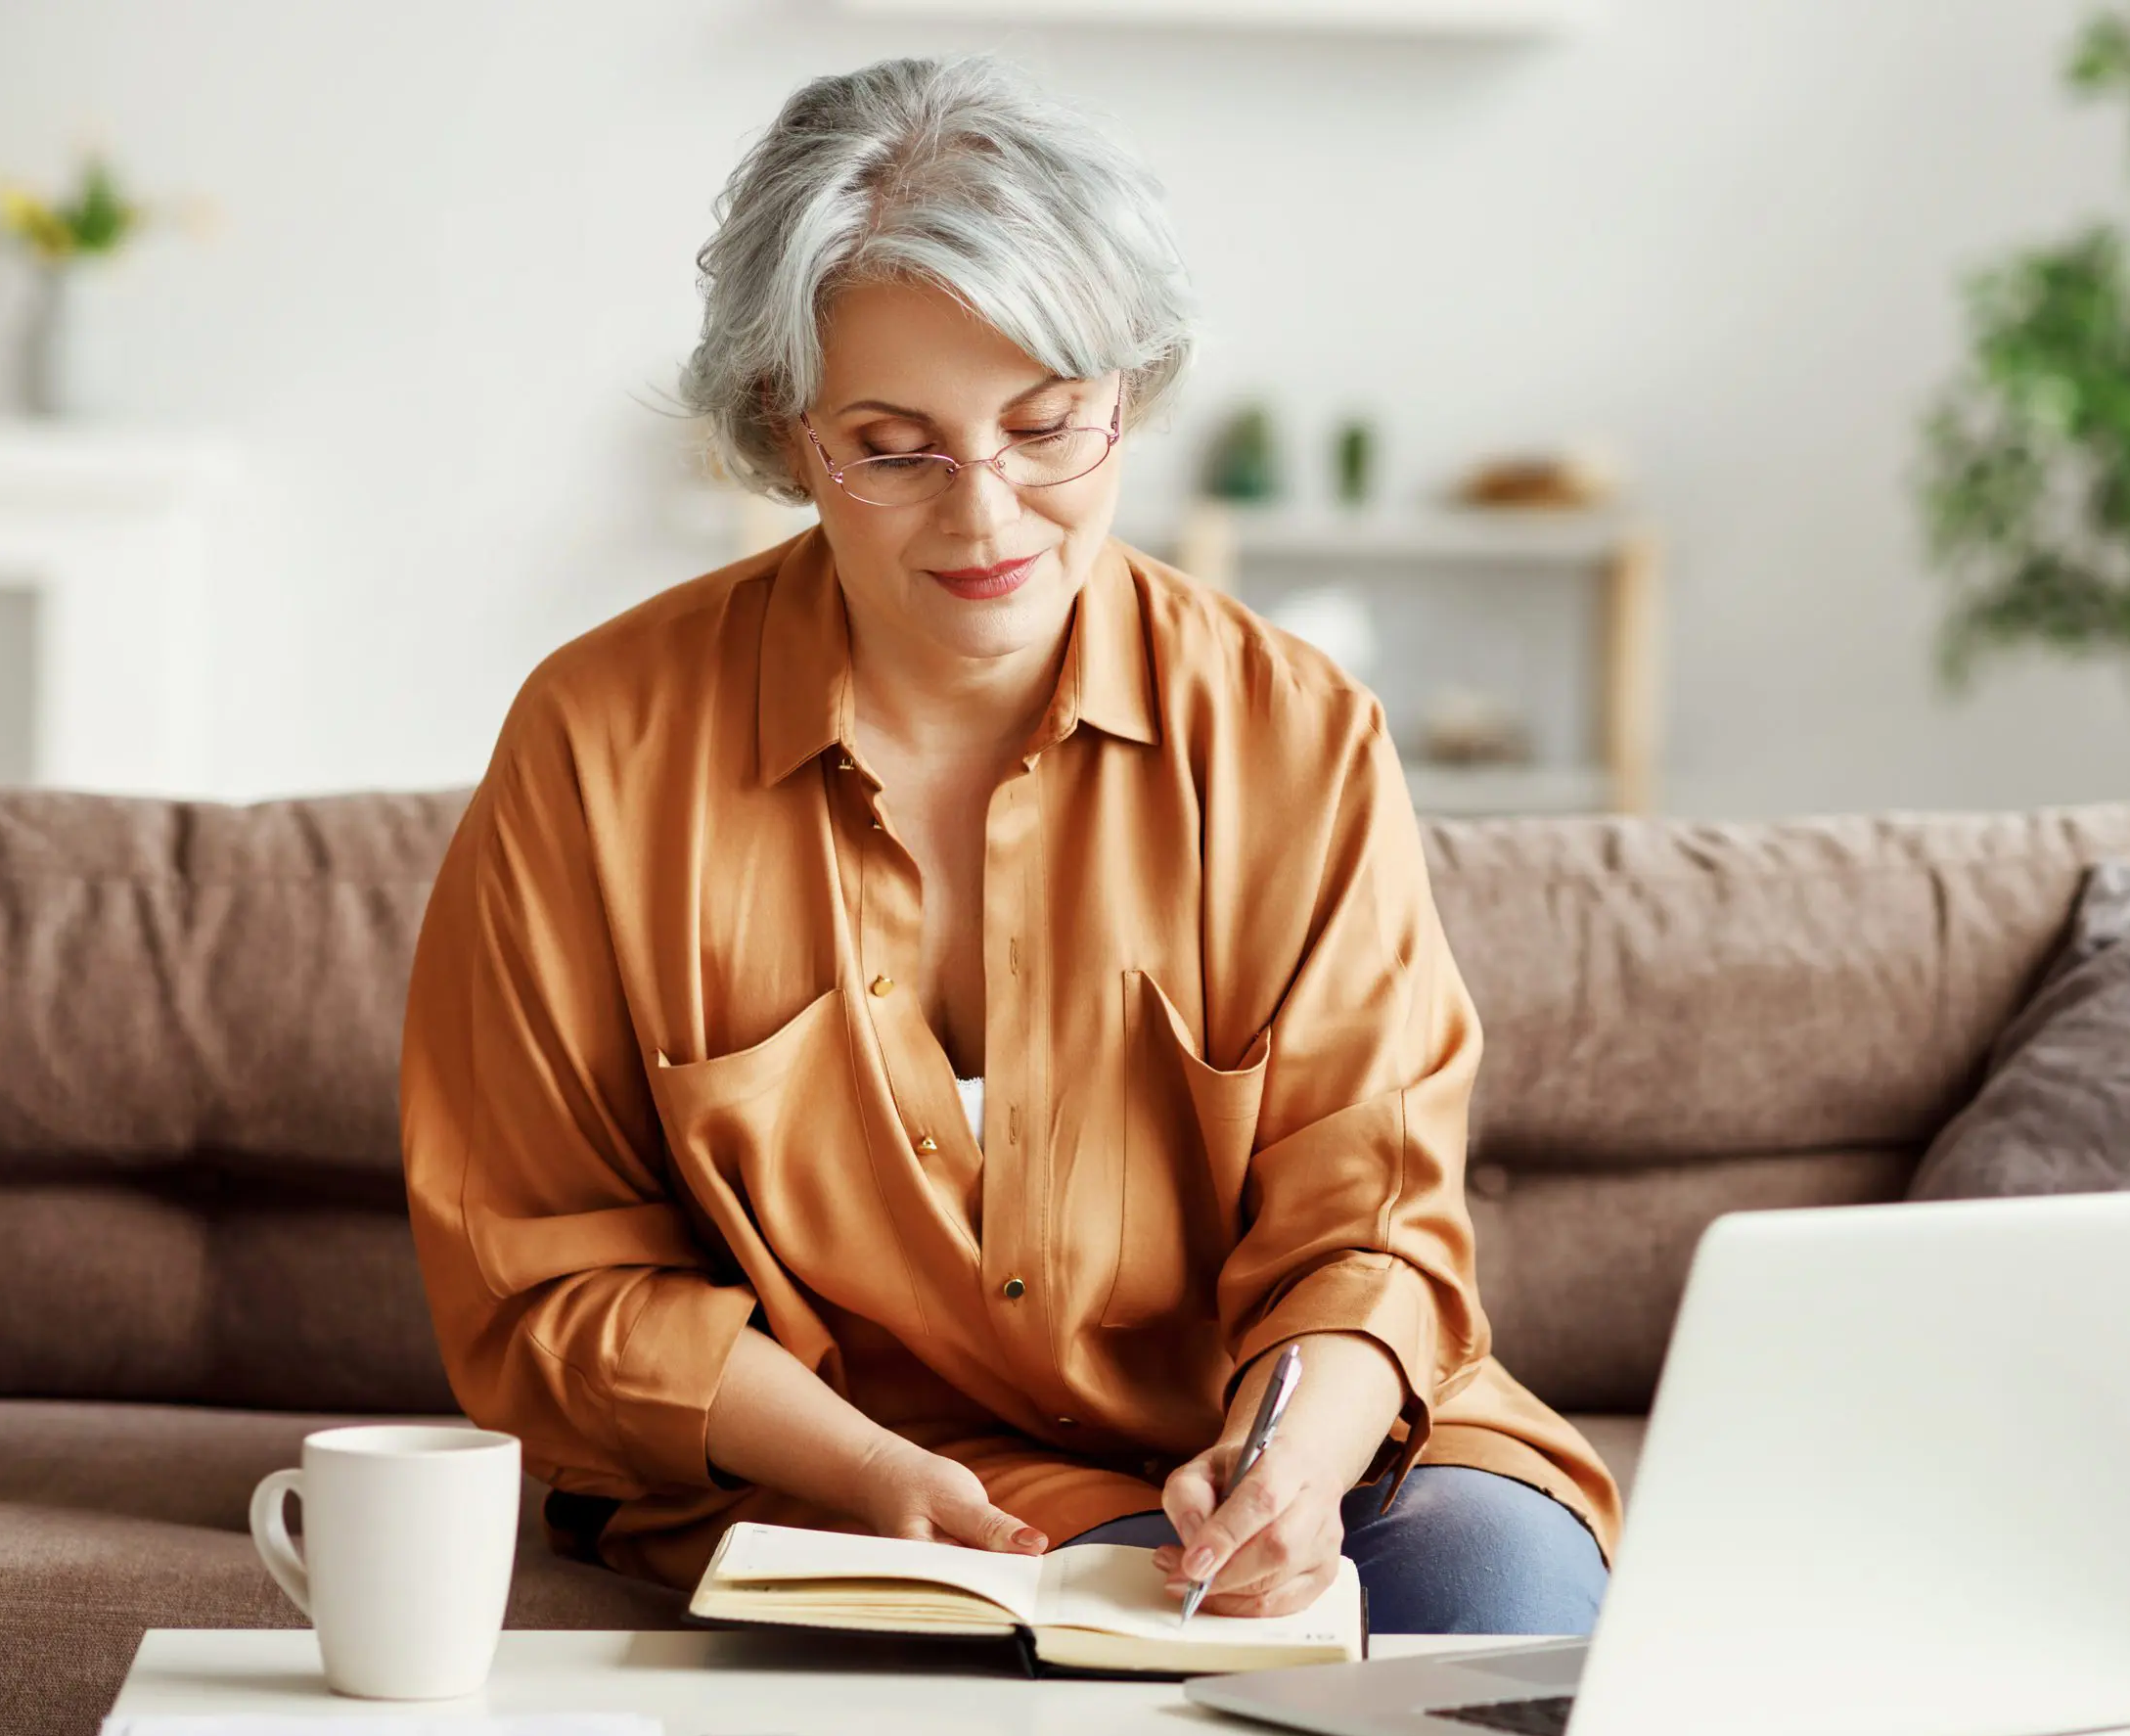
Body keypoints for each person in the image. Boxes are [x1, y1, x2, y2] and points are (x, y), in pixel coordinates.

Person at [399, 55, 1618, 1633]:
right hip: (856, 1466)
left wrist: (1292, 1468)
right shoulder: (598, 747)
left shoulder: (1295, 736)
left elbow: (1368, 1210)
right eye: (895, 449)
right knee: (1106, 1622)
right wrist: (857, 1471)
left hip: (1280, 1423)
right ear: (787, 429)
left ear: (1135, 391)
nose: (988, 518)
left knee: (1490, 1583)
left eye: (1049, 429)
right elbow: (544, 1275)